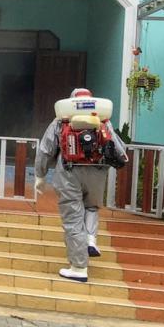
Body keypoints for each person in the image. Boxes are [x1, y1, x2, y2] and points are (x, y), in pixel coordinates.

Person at [34, 88, 127, 282]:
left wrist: (40, 175)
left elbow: (45, 150)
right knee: (91, 207)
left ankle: (78, 267)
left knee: (73, 219)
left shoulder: (61, 121)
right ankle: (91, 239)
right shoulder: (103, 120)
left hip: (69, 173)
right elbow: (119, 149)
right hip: (97, 173)